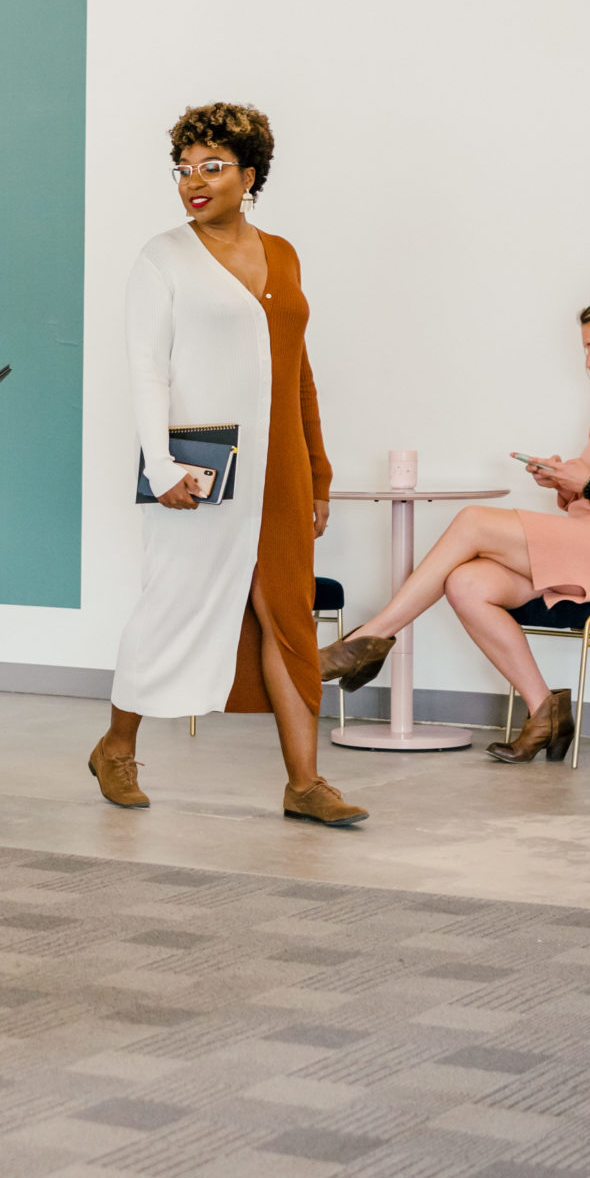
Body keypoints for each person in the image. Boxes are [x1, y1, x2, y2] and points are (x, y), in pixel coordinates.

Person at [97, 102, 366, 829]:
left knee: (288, 619)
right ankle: (116, 747)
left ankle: (304, 783)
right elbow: (146, 369)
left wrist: (317, 470)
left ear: (249, 175)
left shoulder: (282, 254)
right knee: (172, 607)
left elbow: (297, 371)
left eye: (211, 167)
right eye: (183, 169)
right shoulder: (162, 257)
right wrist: (159, 468)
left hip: (279, 468)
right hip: (198, 465)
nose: (194, 182)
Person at [323, 292, 590, 764]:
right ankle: (546, 711)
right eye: (585, 349)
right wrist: (564, 482)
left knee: (473, 521)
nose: (588, 362)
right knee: (467, 582)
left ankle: (368, 640)